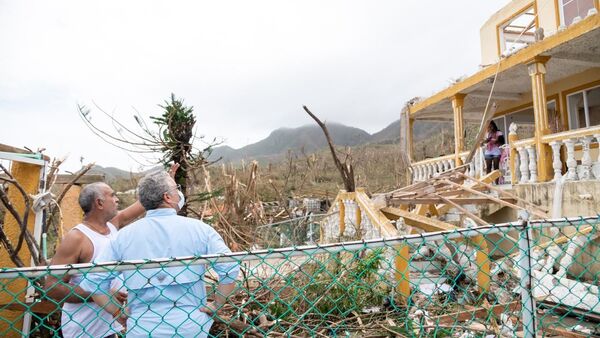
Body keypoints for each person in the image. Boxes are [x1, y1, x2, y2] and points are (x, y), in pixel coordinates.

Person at [80, 170, 239, 337]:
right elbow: (229, 266)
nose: (179, 192)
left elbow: (92, 281)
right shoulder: (200, 230)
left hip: (142, 328)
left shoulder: (123, 237)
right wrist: (217, 304)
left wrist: (117, 312)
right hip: (190, 327)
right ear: (167, 197)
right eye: (175, 188)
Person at [45, 164, 179, 338]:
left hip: (110, 326)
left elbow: (146, 203)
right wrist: (100, 293)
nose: (117, 200)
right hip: (84, 330)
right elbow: (52, 287)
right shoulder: (77, 238)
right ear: (99, 203)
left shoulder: (112, 225)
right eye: (112, 195)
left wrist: (165, 186)